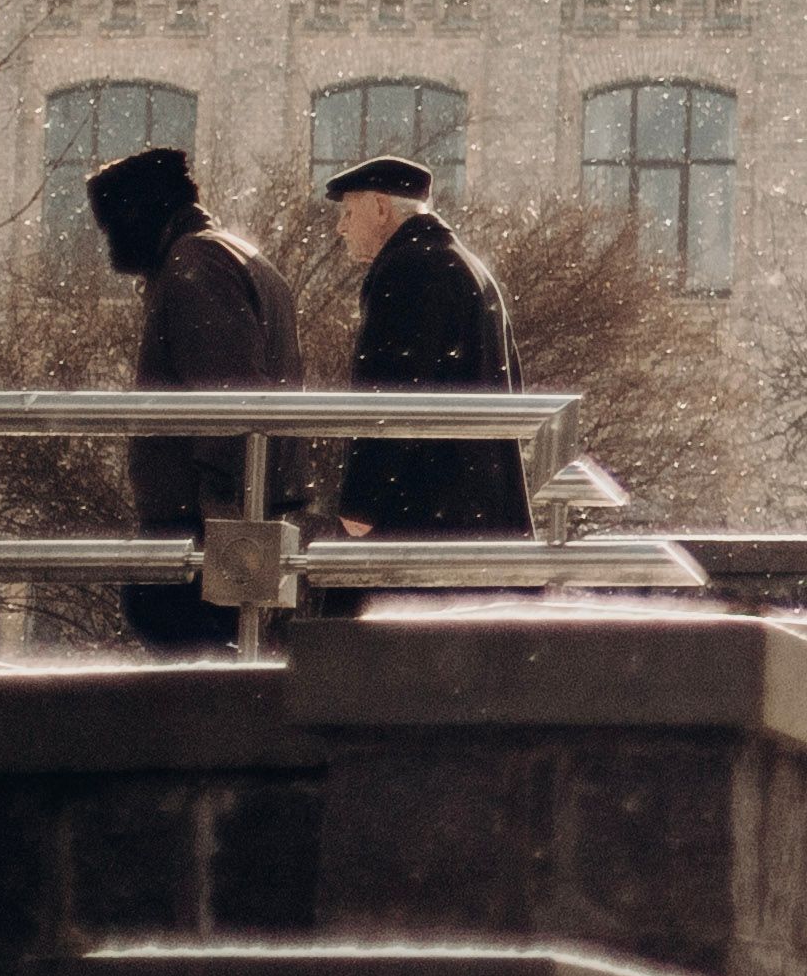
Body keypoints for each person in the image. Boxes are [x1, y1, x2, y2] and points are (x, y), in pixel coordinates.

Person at [87, 142, 301, 653]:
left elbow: (229, 408)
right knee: (215, 682)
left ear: (141, 213)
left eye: (112, 224)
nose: (108, 242)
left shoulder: (195, 268)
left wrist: (221, 539)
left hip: (200, 532)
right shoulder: (229, 256)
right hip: (231, 519)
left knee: (195, 683)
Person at [322, 156, 530, 539]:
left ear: (381, 208)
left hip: (423, 508)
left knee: (384, 602)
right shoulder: (464, 264)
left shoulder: (408, 269)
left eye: (349, 212)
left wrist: (361, 503)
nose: (341, 227)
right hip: (477, 504)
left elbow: (391, 390)